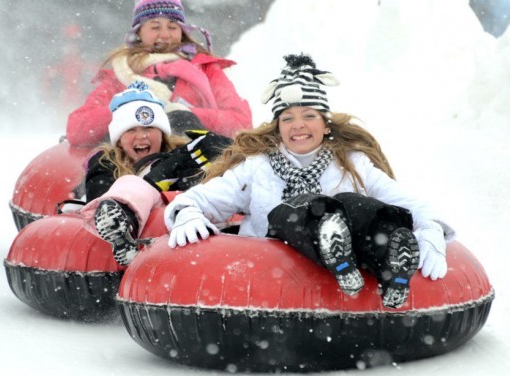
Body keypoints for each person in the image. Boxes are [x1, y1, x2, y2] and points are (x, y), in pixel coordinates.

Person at [161, 53, 455, 309]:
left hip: (344, 272)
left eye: (308, 115)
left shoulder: (352, 163)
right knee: (301, 209)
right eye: (287, 118)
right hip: (271, 273)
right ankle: (329, 234)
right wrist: (186, 213)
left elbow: (409, 201)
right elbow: (202, 198)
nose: (298, 125)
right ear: (278, 127)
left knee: (355, 205)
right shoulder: (256, 168)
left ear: (325, 124)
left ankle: (389, 259)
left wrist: (429, 229)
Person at [79, 80, 231, 266]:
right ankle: (124, 225)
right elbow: (98, 198)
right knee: (130, 183)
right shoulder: (105, 162)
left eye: (149, 128)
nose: (142, 136)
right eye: (131, 130)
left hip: (188, 227)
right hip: (143, 224)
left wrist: (214, 147)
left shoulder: (183, 153)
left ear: (162, 133)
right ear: (119, 139)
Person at [66, 0, 252, 146]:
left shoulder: (206, 69)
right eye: (155, 27)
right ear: (139, 33)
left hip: (194, 165)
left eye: (172, 27)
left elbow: (241, 123)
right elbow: (77, 128)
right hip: (134, 169)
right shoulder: (120, 75)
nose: (165, 35)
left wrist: (184, 114)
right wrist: (127, 110)